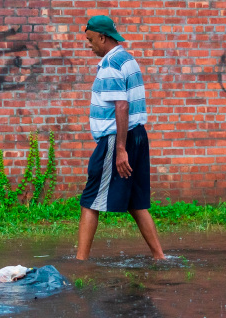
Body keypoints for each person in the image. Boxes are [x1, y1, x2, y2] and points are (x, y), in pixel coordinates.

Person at [76, 15, 164, 260]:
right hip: (137, 136)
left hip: (116, 138)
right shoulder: (128, 59)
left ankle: (80, 262)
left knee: (90, 199)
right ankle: (160, 256)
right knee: (136, 201)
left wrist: (120, 149)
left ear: (102, 37)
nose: (89, 44)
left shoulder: (110, 65)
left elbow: (122, 107)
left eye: (91, 39)